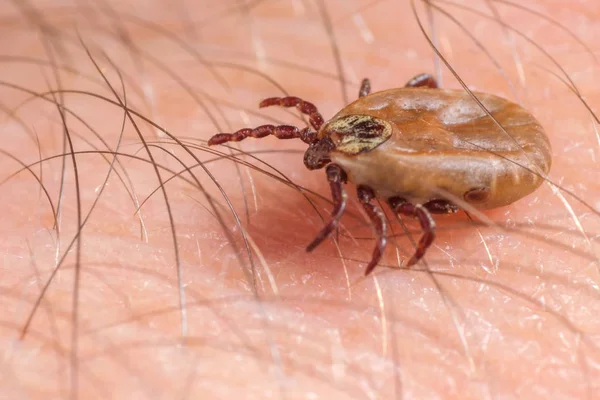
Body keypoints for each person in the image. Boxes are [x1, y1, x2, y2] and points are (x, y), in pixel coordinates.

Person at [1, 1, 597, 398]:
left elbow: (347, 202)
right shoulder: (337, 132)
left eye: (322, 148)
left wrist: (341, 216)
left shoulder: (357, 167)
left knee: (395, 212)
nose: (314, 157)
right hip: (442, 139)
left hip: (470, 160)